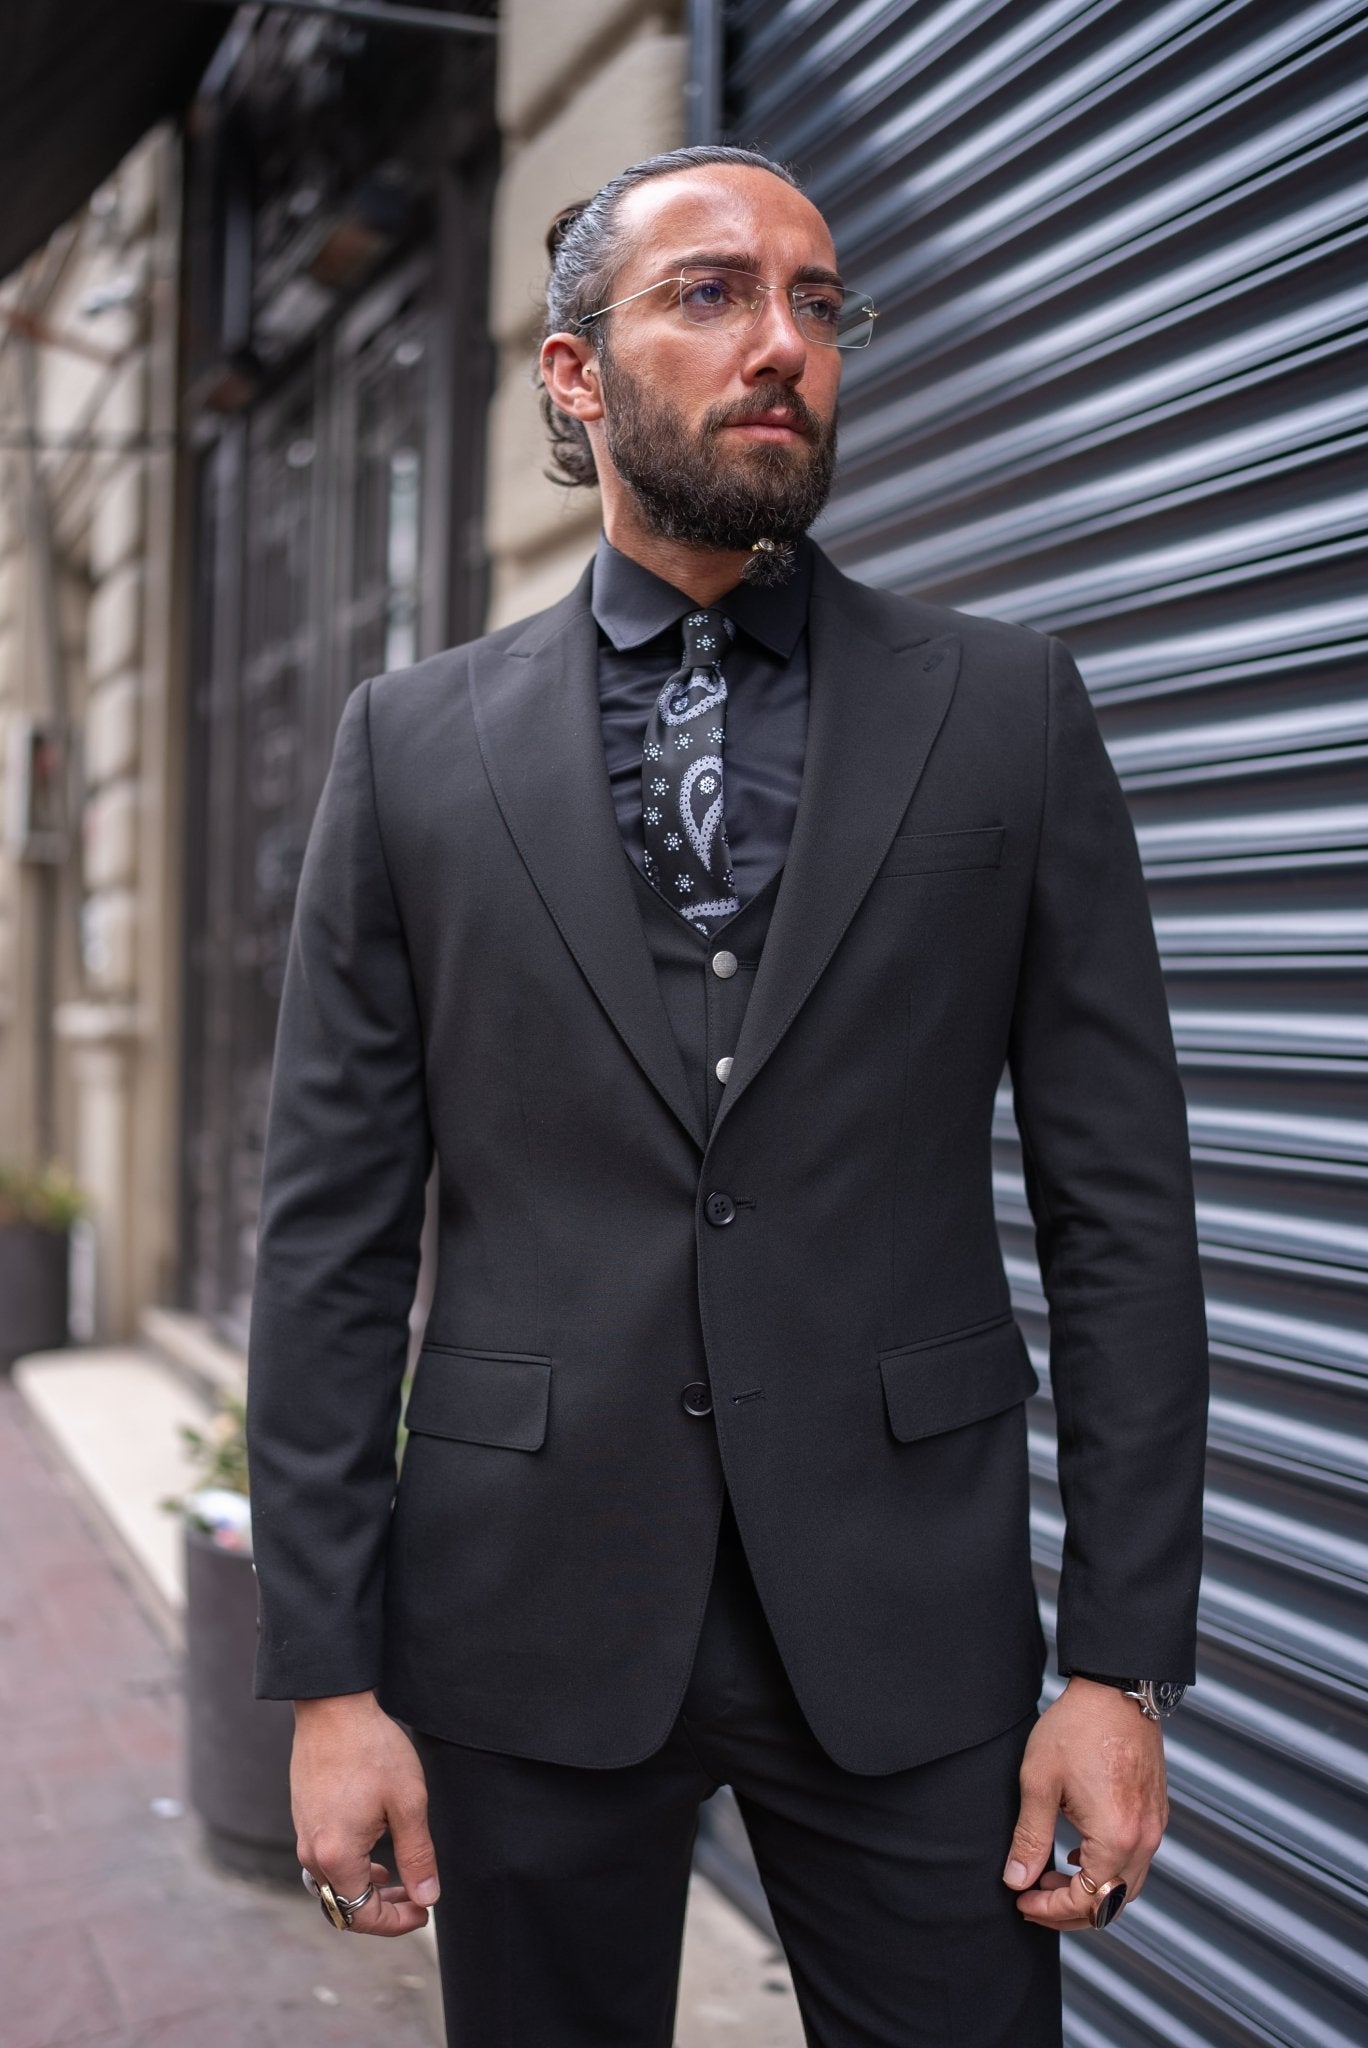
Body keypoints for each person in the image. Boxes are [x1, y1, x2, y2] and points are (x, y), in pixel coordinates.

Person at [245, 144, 1209, 2047]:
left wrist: (1120, 1666)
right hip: (525, 1619)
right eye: (710, 295)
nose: (782, 342)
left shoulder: (1008, 713)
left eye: (817, 301)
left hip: (909, 1620)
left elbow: (1124, 1215)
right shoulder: (412, 749)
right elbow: (330, 1237)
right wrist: (327, 1680)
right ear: (577, 373)